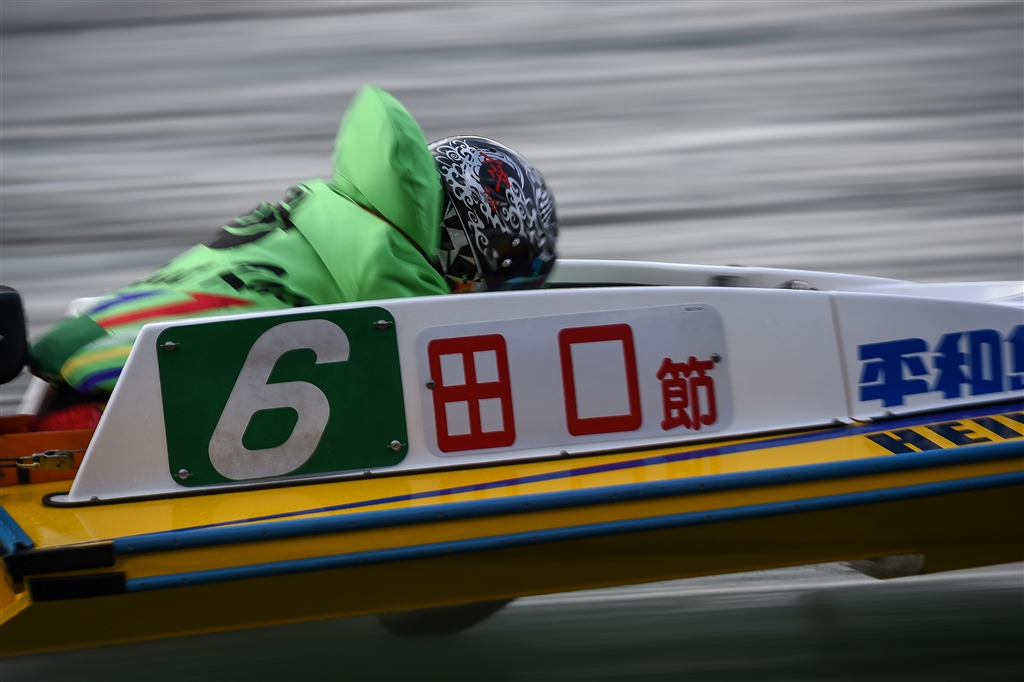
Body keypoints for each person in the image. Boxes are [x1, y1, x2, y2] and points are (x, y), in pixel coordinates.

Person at [28, 86, 558, 413]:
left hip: (89, 361)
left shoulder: (327, 219)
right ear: (466, 241)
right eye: (505, 271)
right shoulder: (390, 279)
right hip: (118, 410)